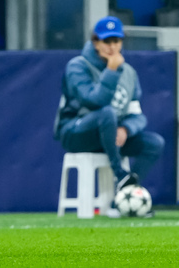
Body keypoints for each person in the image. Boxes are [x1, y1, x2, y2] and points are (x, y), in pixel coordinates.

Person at [54, 16, 165, 194]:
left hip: (111, 136)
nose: (112, 47)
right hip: (76, 132)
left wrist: (126, 129)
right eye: (107, 41)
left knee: (154, 143)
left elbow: (137, 114)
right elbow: (94, 100)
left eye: (116, 41)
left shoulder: (129, 72)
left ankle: (125, 195)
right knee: (107, 113)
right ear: (95, 42)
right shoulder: (77, 67)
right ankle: (120, 175)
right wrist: (112, 70)